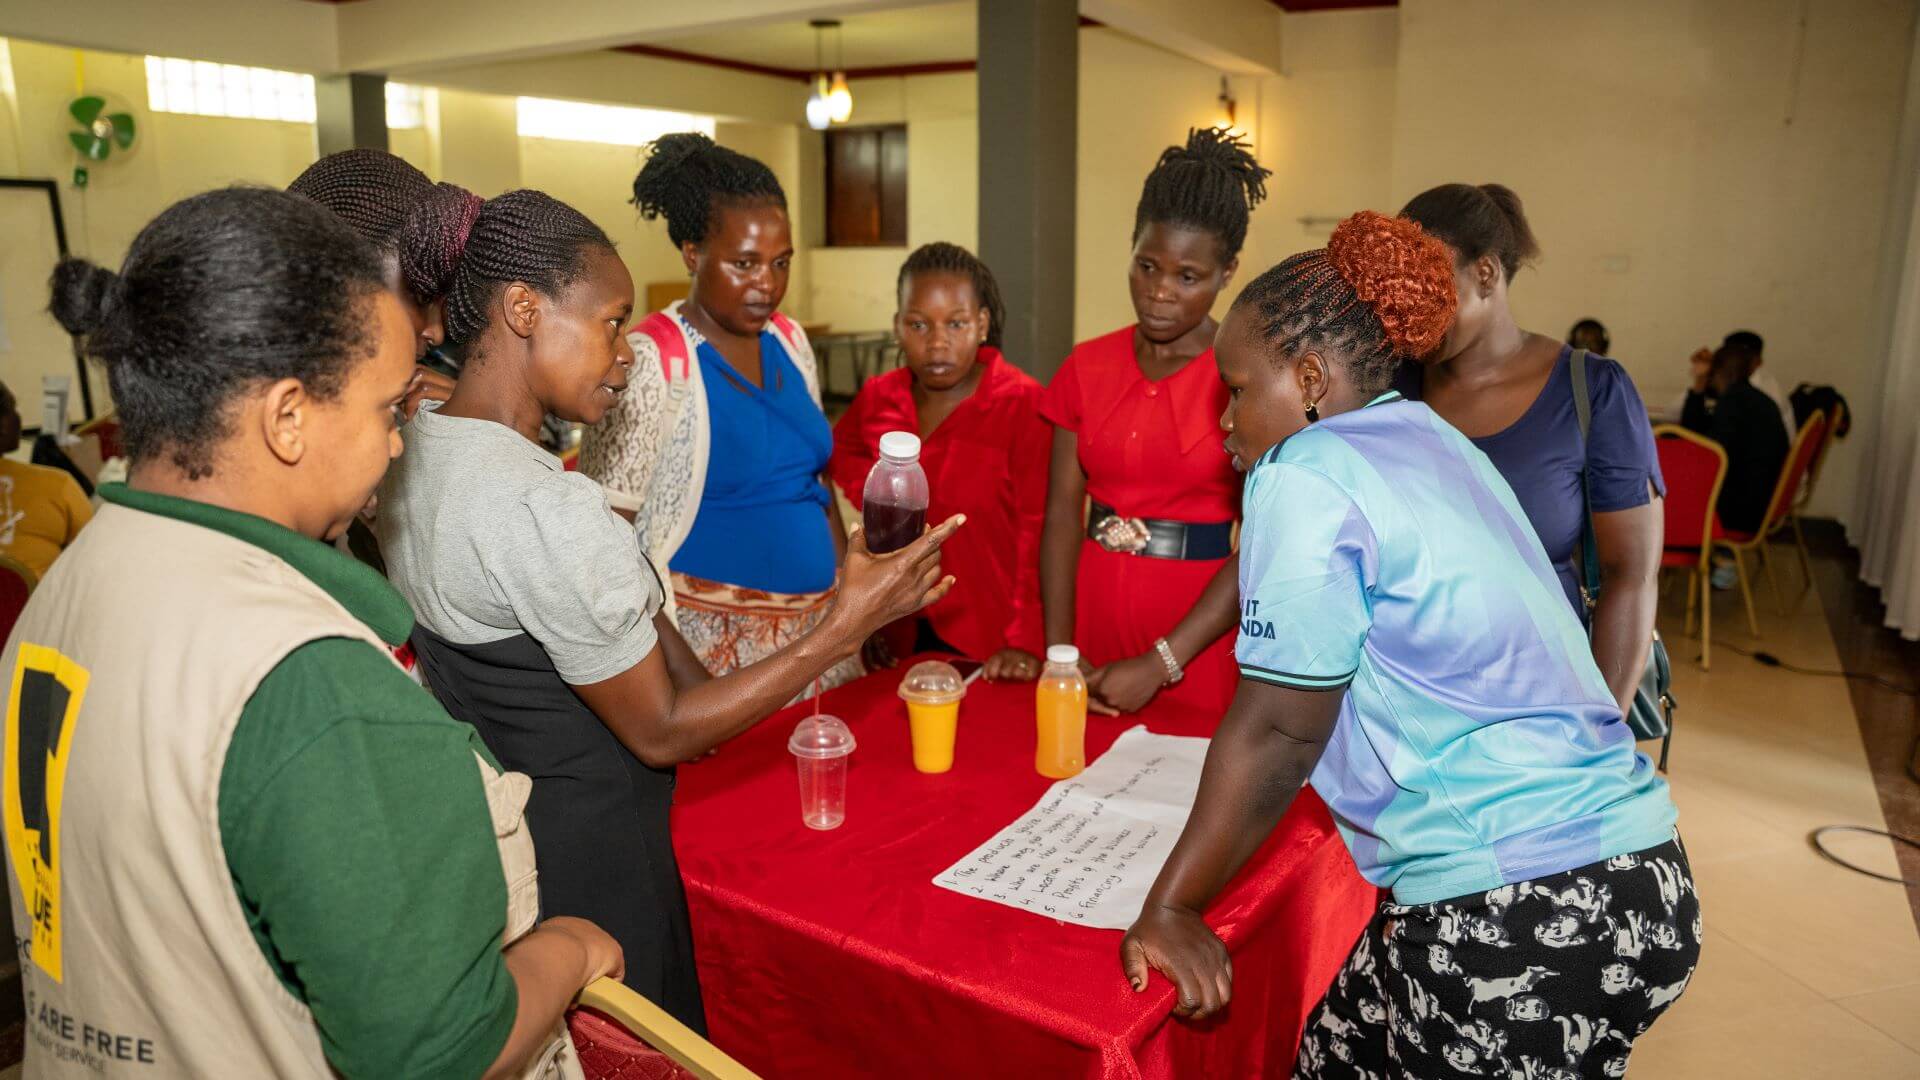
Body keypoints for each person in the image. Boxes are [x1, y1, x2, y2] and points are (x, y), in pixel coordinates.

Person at [21, 187, 617, 1079]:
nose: (396, 447)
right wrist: (569, 946)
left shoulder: (65, 585)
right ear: (288, 417)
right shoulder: (309, 684)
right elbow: (439, 1051)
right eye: (387, 410)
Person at [1118, 212, 1694, 1077]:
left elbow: (1280, 729)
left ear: (1310, 377)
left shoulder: (1304, 470)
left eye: (1236, 391)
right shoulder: (1434, 440)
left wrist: (1172, 907)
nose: (1226, 425)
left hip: (1517, 902)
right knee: (1333, 1058)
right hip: (1633, 873)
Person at [376, 189, 960, 1032]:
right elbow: (665, 727)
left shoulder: (417, 450)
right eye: (611, 323)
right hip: (604, 864)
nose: (624, 356)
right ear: (522, 309)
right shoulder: (546, 509)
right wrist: (847, 623)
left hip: (514, 838)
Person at [580, 134, 855, 685]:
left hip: (824, 640)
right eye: (744, 264)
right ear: (692, 253)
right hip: (717, 654)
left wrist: (852, 595)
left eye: (781, 263)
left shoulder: (792, 341)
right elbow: (601, 538)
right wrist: (682, 672)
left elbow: (815, 482)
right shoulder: (656, 362)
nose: (767, 285)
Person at [1398, 183, 1664, 717]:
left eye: (1430, 287)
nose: (1412, 308)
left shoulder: (1592, 392)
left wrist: (1597, 733)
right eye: (1402, 289)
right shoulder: (1391, 385)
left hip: (1542, 698)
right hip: (1405, 699)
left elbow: (1630, 577)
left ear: (1487, 273)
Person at [1040, 127, 1269, 718]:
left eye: (1187, 277)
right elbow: (1063, 517)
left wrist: (1164, 661)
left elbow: (1265, 540)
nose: (1159, 292)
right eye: (1147, 266)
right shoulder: (1085, 366)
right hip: (1085, 637)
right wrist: (1059, 654)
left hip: (1195, 647)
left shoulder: (1246, 380)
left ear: (1228, 272)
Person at [830, 242, 1048, 679]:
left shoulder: (1022, 404)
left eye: (956, 323)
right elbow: (840, 451)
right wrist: (880, 504)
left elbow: (1036, 533)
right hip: (895, 624)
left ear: (982, 324)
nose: (937, 342)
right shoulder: (880, 396)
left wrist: (1024, 642)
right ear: (897, 326)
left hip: (988, 637)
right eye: (918, 324)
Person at [1684, 341, 1790, 542]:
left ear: (1719, 372)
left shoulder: (1734, 403)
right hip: (1761, 501)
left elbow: (1706, 452)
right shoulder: (1752, 399)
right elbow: (1698, 430)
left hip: (1742, 511)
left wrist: (1700, 382)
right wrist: (1699, 387)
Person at [0, 379, 92, 581]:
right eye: (13, 409)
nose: (18, 417)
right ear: (3, 424)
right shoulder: (56, 485)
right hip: (35, 609)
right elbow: (95, 552)